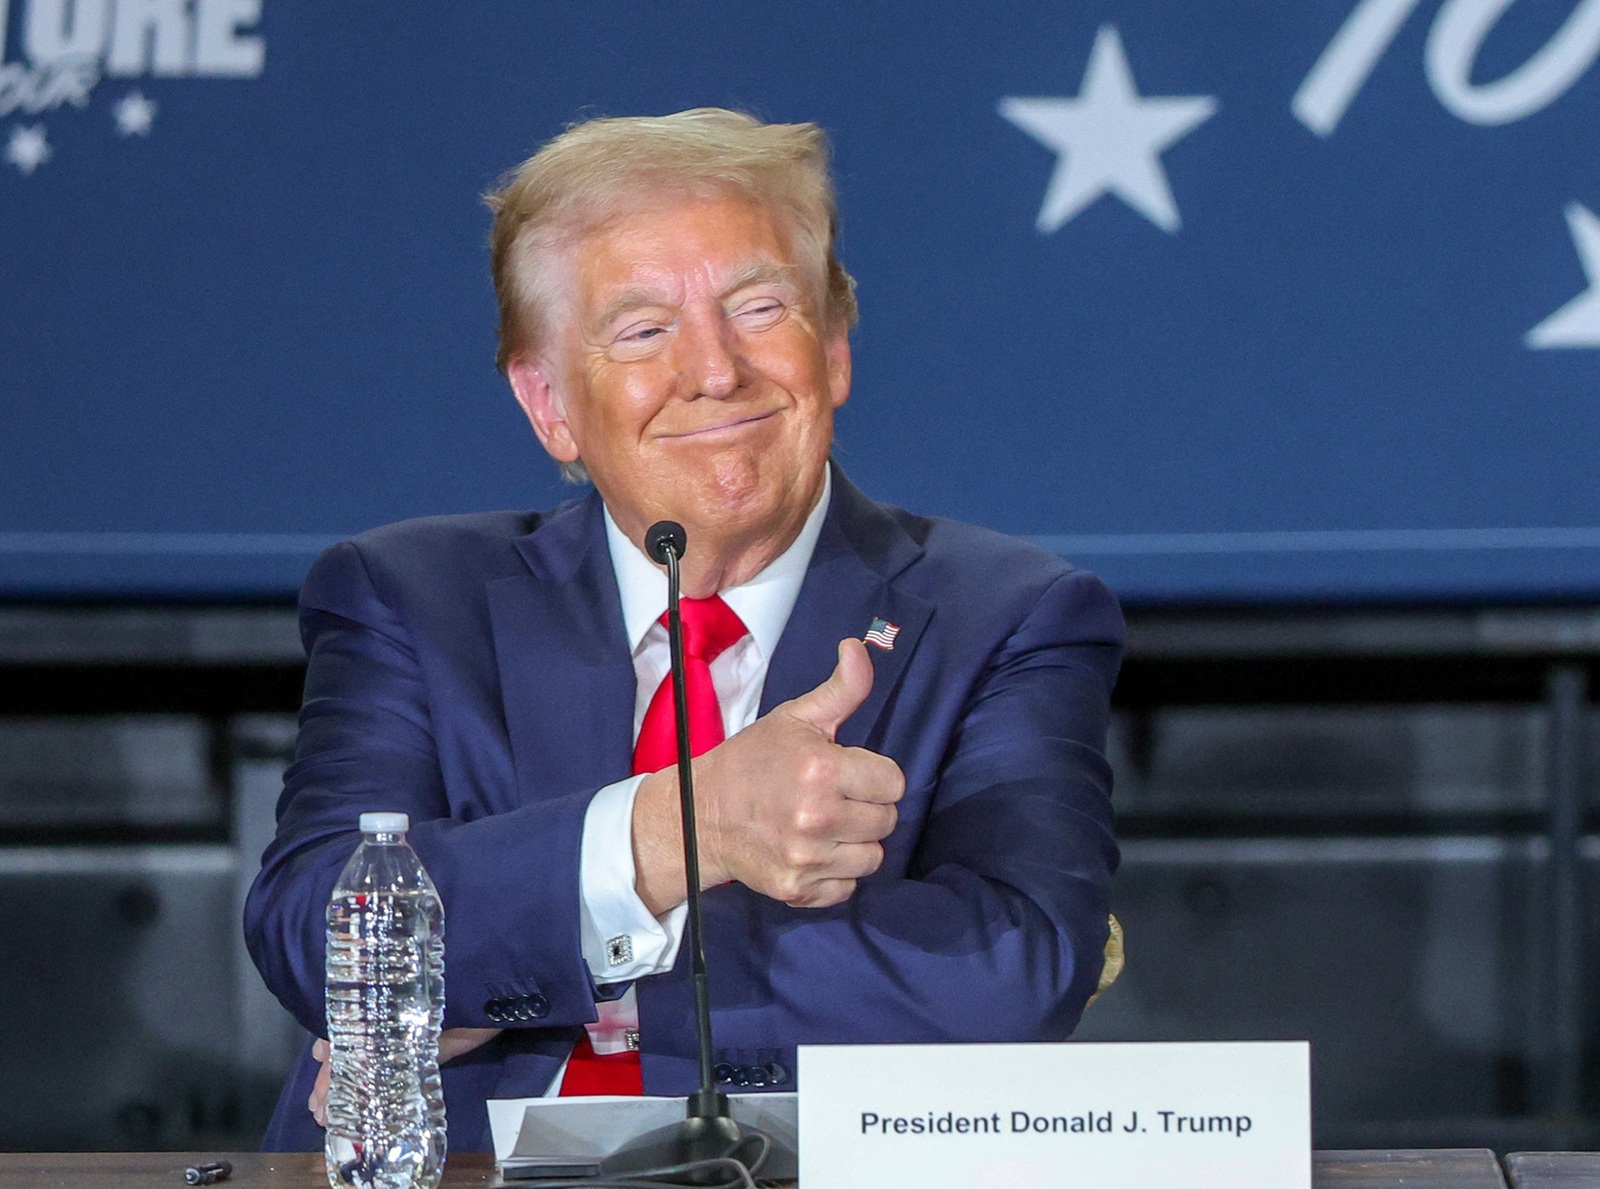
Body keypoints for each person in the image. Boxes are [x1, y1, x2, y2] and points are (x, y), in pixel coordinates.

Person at [244, 107, 1124, 1153]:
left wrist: (527, 969)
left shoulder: (1006, 614)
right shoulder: (409, 595)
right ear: (548, 403)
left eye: (759, 308)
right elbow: (318, 930)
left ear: (835, 348)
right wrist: (677, 830)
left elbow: (1012, 980)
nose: (715, 370)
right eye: (644, 329)